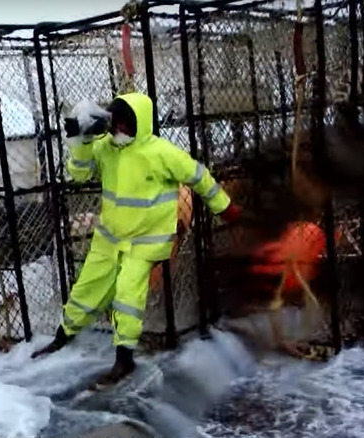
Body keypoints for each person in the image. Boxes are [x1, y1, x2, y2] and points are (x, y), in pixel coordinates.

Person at [30, 92, 242, 386]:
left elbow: (199, 176)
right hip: (110, 239)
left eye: (124, 126)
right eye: (115, 124)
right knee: (87, 289)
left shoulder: (162, 153)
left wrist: (225, 207)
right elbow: (78, 175)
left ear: (139, 124)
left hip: (144, 242)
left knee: (128, 297)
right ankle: (62, 337)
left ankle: (124, 359)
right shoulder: (106, 147)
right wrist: (80, 142)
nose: (118, 131)